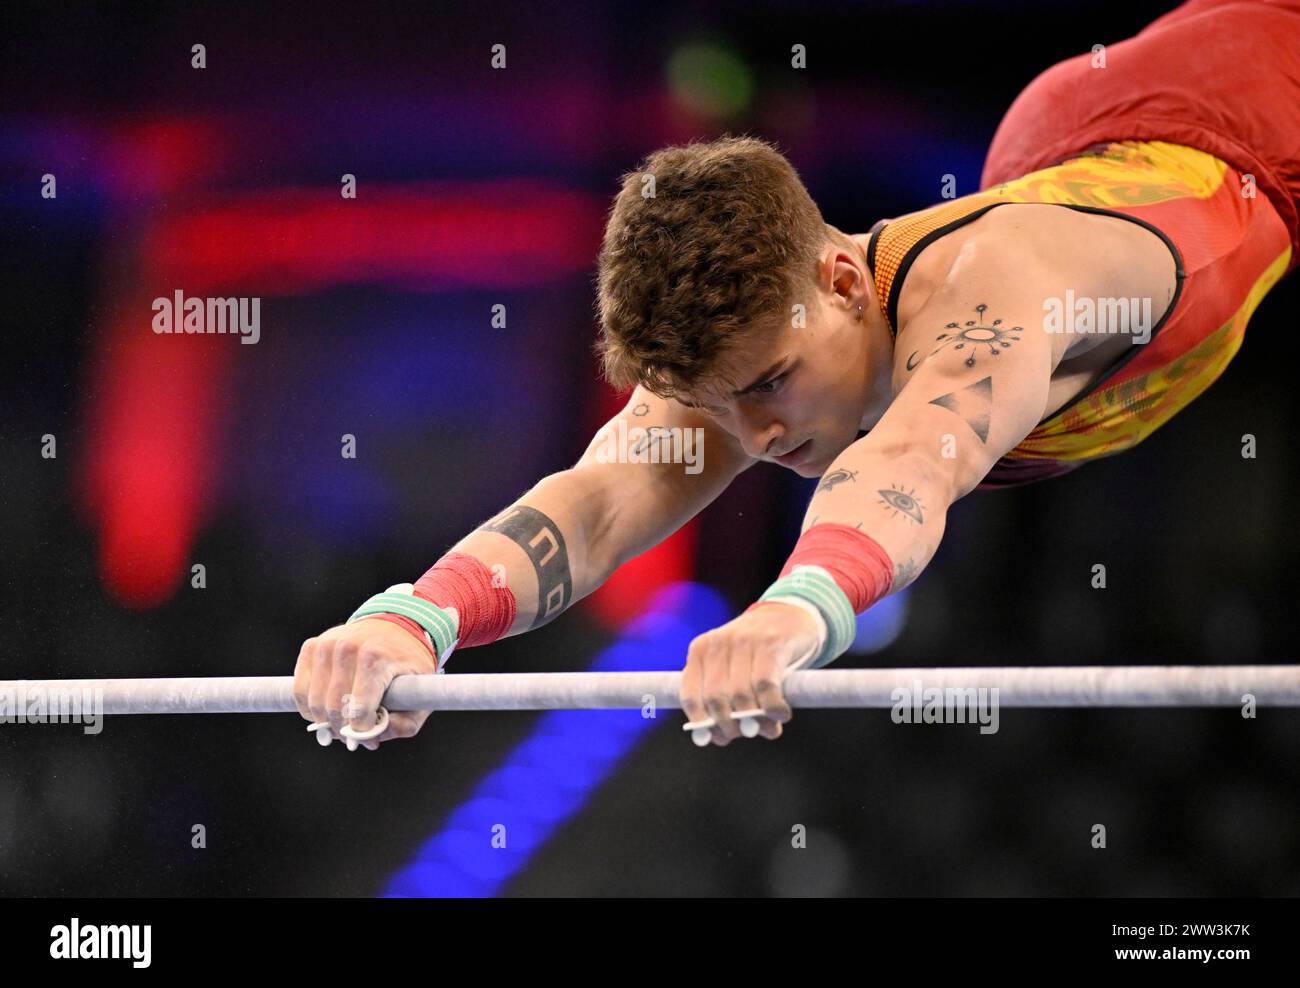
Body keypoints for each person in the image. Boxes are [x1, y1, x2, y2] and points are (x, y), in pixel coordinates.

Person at [293, 0, 1300, 748]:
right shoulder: (735, 369)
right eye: (720, 408)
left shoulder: (999, 289)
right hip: (1069, 143)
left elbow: (913, 457)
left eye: (770, 380)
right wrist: (413, 618)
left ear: (842, 276)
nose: (759, 438)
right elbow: (597, 504)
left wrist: (793, 606)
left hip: (1259, 104)